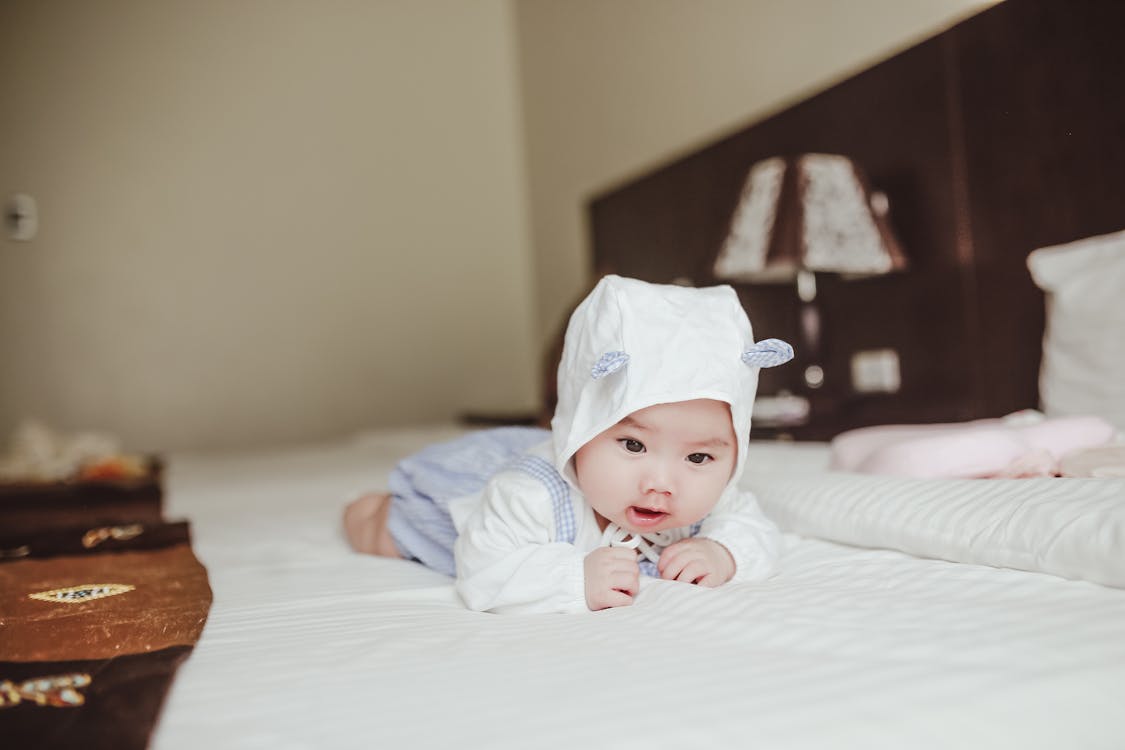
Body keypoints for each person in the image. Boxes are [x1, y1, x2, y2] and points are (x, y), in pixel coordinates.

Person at [343, 274, 793, 614]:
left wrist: (724, 553)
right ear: (582, 425)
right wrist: (571, 577)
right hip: (471, 506)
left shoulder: (712, 498)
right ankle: (370, 508)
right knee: (382, 529)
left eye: (698, 456)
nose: (661, 483)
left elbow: (754, 529)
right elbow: (481, 572)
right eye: (633, 446)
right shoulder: (527, 496)